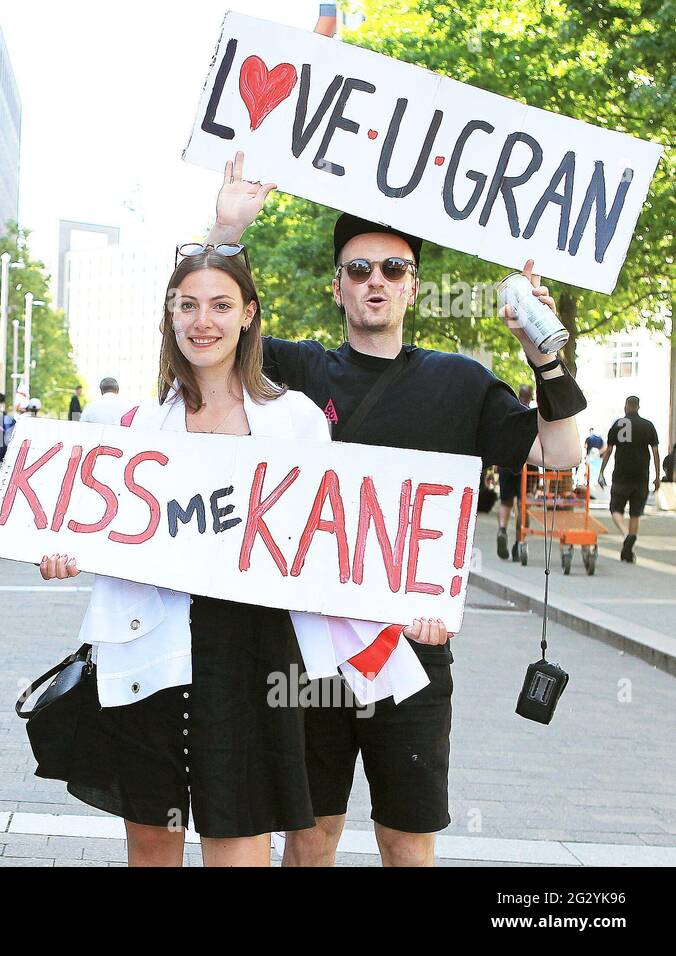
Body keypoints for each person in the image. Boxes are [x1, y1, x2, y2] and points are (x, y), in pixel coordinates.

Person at [206, 152, 585, 867]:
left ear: (414, 287)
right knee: (309, 841)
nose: (374, 281)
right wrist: (227, 233)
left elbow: (558, 455)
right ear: (336, 287)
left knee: (407, 845)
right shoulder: (294, 372)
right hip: (311, 654)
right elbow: (210, 337)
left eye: (391, 270)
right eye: (358, 269)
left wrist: (544, 355)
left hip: (414, 649)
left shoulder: (462, 382)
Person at [36, 246, 449, 867]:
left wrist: (408, 605)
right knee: (151, 845)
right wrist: (66, 552)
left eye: (222, 305)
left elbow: (336, 542)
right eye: (188, 305)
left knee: (241, 846)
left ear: (248, 315)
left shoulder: (296, 421)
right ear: (171, 318)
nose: (204, 320)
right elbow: (98, 530)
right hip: (152, 649)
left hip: (254, 658)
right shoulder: (135, 428)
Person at [597, 396, 660, 563]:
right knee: (635, 513)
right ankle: (628, 550)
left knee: (615, 509)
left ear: (626, 406)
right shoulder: (648, 425)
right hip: (641, 476)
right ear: (638, 407)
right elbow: (655, 453)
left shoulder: (618, 424)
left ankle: (626, 535)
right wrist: (657, 477)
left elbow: (609, 451)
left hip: (621, 475)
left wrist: (601, 471)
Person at [495, 385, 535, 560]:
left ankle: (502, 529)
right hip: (526, 465)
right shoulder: (533, 416)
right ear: (531, 396)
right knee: (522, 505)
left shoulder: (508, 412)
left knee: (506, 502)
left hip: (505, 463)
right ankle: (519, 542)